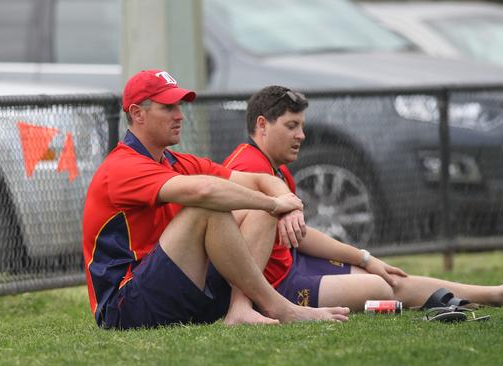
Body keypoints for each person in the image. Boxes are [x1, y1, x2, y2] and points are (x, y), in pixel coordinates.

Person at [82, 70, 350, 329]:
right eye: (168, 108)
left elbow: (264, 182)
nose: (180, 116)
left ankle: (241, 309)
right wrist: (275, 204)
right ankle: (278, 307)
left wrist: (285, 204)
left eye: (179, 106)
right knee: (210, 208)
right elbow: (205, 192)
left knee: (384, 284)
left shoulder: (176, 160)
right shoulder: (122, 166)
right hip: (124, 307)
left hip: (177, 288)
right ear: (137, 113)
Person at [221, 85, 503, 323]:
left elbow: (300, 236)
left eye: (302, 126)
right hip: (279, 285)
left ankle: (492, 294)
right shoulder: (246, 166)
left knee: (388, 277)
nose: (301, 136)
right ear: (261, 125)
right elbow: (230, 242)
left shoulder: (277, 168)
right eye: (291, 126)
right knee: (380, 288)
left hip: (296, 264)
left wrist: (364, 257)